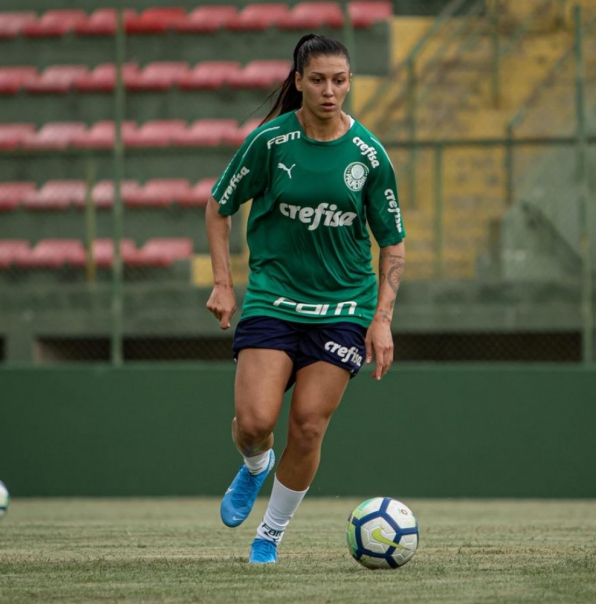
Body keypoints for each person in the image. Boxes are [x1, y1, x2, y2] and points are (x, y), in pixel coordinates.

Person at [204, 33, 406, 564]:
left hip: (343, 308)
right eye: (318, 79)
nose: (329, 90)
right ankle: (254, 466)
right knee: (253, 425)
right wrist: (225, 283)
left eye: (340, 80)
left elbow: (393, 243)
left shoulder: (369, 155)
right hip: (273, 299)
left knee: (309, 423)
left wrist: (382, 319)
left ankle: (268, 535)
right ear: (298, 82)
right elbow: (218, 206)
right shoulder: (269, 143)